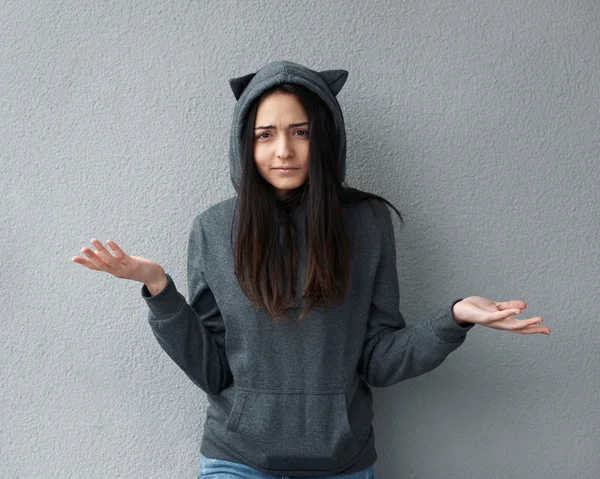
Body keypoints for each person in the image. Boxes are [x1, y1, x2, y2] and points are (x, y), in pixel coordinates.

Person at [71, 60, 551, 478]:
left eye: (300, 132)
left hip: (340, 463)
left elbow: (379, 359)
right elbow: (213, 371)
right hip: (236, 461)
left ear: (324, 137)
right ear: (246, 143)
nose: (284, 150)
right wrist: (159, 290)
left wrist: (454, 319)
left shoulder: (367, 224)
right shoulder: (213, 230)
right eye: (266, 134)